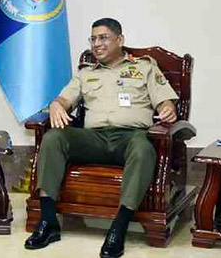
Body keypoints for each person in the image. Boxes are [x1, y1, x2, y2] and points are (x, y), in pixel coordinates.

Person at [24, 18, 178, 258]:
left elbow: (165, 100)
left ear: (120, 40)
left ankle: (119, 227)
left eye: (103, 37)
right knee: (53, 138)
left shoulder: (145, 67)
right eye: (93, 39)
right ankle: (48, 221)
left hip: (131, 137)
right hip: (93, 138)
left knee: (143, 148)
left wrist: (168, 108)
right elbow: (64, 99)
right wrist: (56, 105)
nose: (97, 44)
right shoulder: (86, 74)